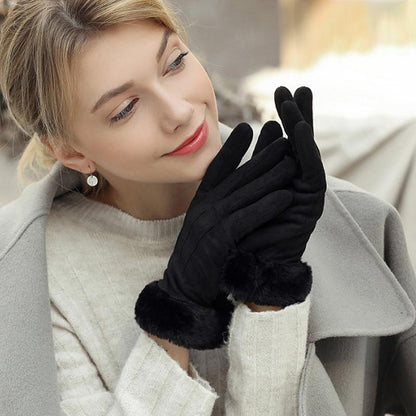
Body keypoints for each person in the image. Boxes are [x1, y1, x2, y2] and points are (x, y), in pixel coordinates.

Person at [0, 1, 415, 416]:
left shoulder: (343, 220)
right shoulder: (31, 279)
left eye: (175, 62)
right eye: (125, 109)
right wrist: (176, 314)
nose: (179, 111)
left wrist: (269, 291)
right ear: (69, 151)